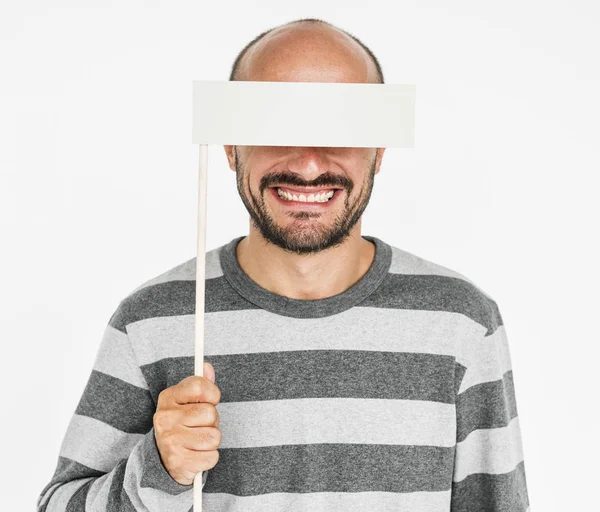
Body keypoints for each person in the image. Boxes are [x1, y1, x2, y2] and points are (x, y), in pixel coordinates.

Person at [37, 17, 530, 512]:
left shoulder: (462, 323)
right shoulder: (153, 321)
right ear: (230, 146)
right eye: (273, 124)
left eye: (343, 127)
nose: (309, 164)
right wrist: (159, 468)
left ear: (380, 150)